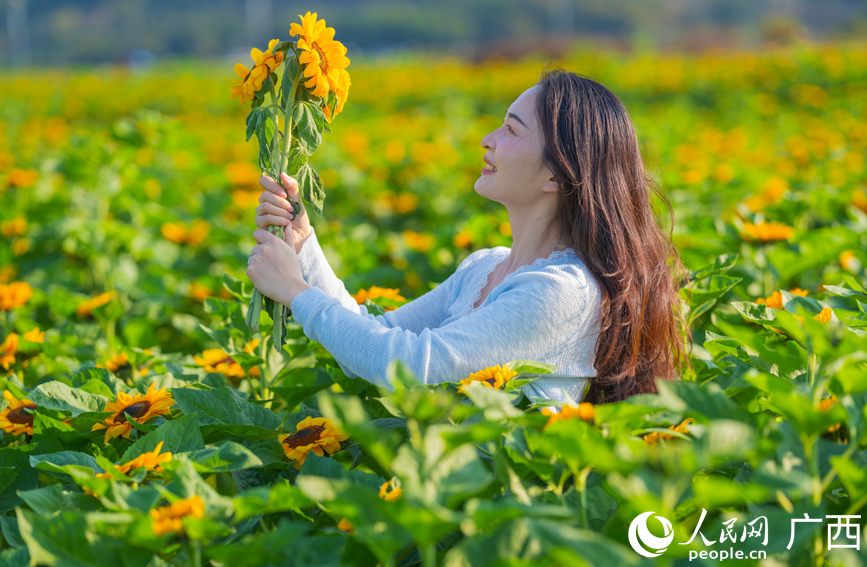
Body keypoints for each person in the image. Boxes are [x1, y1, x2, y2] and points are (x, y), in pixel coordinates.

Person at [247, 68, 691, 409]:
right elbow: (376, 339)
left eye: (512, 130)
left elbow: (406, 366)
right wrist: (304, 244)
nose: (488, 140)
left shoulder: (561, 293)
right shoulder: (484, 268)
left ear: (557, 174)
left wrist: (296, 293)